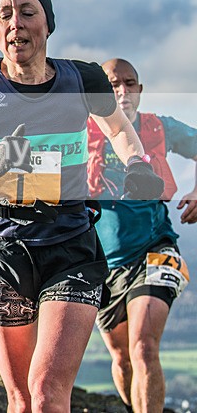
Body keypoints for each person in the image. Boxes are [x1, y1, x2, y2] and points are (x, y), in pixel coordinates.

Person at [0, 0, 165, 413]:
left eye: (27, 11)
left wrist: (137, 165)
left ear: (47, 25)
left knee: (47, 393)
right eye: (4, 14)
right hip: (2, 249)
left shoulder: (83, 80)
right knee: (20, 400)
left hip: (70, 242)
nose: (15, 21)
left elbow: (118, 129)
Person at [88, 58, 197, 413]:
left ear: (140, 90)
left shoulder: (160, 128)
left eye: (129, 83)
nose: (121, 91)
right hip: (101, 264)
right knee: (122, 359)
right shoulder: (78, 133)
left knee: (143, 347)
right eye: (112, 84)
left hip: (155, 250)